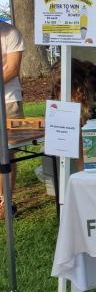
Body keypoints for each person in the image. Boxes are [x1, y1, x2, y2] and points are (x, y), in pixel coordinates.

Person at [0, 20, 24, 218]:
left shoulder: (10, 33)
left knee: (6, 152)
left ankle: (5, 200)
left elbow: (12, 68)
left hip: (7, 101)